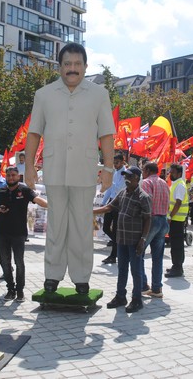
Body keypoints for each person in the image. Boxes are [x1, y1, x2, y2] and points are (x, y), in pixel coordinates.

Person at [24, 42, 115, 295]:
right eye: (67, 64)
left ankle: (81, 277)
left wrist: (108, 169)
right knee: (56, 225)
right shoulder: (44, 95)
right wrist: (29, 166)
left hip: (85, 169)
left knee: (81, 226)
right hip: (54, 168)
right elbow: (34, 133)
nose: (72, 69)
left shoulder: (99, 94)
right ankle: (52, 275)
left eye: (77, 64)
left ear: (85, 66)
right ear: (59, 66)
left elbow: (107, 134)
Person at [94, 166, 151, 313]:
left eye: (129, 176)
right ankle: (120, 296)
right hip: (121, 239)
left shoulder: (143, 197)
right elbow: (109, 207)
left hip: (135, 241)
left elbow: (148, 219)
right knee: (122, 269)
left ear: (137, 178)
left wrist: (143, 239)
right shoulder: (123, 193)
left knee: (136, 271)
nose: (126, 179)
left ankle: (137, 300)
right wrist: (90, 211)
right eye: (125, 176)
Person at [0, 166, 47, 302]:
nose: (11, 178)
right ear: (6, 177)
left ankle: (20, 291)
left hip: (18, 233)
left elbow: (38, 200)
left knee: (19, 262)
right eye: (8, 175)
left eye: (13, 175)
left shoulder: (25, 190)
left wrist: (54, 205)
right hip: (1, 233)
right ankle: (10, 289)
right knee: (5, 263)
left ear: (18, 176)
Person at [139, 161, 170, 298]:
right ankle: (157, 288)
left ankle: (143, 285)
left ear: (147, 170)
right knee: (158, 257)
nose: (142, 172)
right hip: (163, 220)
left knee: (138, 253)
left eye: (143, 170)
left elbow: (146, 203)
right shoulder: (164, 183)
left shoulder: (146, 182)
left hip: (152, 220)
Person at [100, 153, 126, 264]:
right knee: (105, 227)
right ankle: (117, 243)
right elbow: (110, 189)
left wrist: (111, 182)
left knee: (115, 230)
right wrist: (103, 202)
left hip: (119, 203)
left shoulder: (125, 173)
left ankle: (113, 255)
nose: (115, 165)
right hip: (111, 201)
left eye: (117, 162)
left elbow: (119, 188)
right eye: (114, 163)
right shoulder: (115, 173)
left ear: (122, 162)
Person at [165, 163, 188, 278]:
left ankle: (178, 267)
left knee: (177, 245)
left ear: (179, 173)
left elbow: (178, 203)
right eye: (170, 172)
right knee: (174, 244)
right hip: (175, 219)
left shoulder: (180, 185)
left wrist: (170, 216)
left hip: (177, 219)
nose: (170, 174)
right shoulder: (176, 184)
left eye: (173, 172)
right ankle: (176, 266)